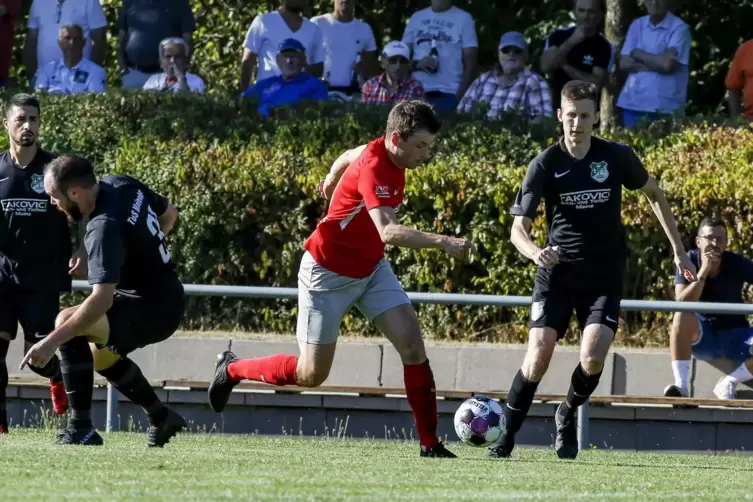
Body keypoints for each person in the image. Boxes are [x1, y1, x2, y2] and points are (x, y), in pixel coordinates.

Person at [207, 100, 473, 458]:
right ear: (397, 138)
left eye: (429, 146)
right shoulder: (378, 167)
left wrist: (331, 179)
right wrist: (444, 242)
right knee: (310, 374)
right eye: (421, 146)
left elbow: (350, 153)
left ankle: (430, 444)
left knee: (412, 346)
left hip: (371, 269)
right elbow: (389, 232)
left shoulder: (382, 150)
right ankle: (233, 369)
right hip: (327, 274)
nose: (425, 154)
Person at [487, 80, 696, 460]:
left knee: (593, 357)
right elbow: (518, 229)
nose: (577, 123)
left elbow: (655, 195)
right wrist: (535, 252)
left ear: (596, 116)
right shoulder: (545, 164)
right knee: (537, 358)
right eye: (571, 115)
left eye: (585, 115)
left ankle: (565, 412)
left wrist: (679, 251)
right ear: (559, 116)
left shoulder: (615, 156)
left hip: (602, 276)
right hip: (557, 274)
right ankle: (504, 437)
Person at [20, 155, 186, 447]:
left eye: (53, 196)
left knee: (66, 322)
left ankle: (80, 428)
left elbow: (101, 301)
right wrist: (132, 252)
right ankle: (161, 417)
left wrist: (50, 342)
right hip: (166, 295)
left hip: (153, 310)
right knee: (101, 357)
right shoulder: (119, 184)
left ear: (74, 193)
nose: (52, 203)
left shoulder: (103, 228)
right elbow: (170, 213)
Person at [0, 93, 74, 432]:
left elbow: (83, 211)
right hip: (2, 274)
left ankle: (57, 375)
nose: (28, 126)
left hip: (42, 277)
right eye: (20, 119)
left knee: (38, 356)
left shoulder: (54, 169)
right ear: (6, 124)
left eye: (33, 119)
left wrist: (84, 251)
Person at [665, 217, 753, 400]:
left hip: (737, 335)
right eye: (710, 238)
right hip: (704, 337)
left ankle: (729, 382)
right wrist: (703, 271)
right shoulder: (688, 261)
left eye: (720, 239)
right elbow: (681, 300)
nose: (714, 244)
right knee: (682, 313)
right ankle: (681, 386)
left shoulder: (737, 262)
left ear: (726, 243)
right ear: (699, 241)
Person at [242, 38, 328, 117]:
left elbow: (318, 114)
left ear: (303, 61)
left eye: (294, 57)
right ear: (278, 61)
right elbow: (241, 102)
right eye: (285, 56)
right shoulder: (264, 85)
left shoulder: (314, 86)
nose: (289, 61)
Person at [33, 24, 106, 95]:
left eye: (76, 39)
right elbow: (40, 97)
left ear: (83, 42)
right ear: (59, 43)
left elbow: (95, 100)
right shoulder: (46, 70)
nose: (72, 43)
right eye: (67, 38)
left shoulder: (95, 71)